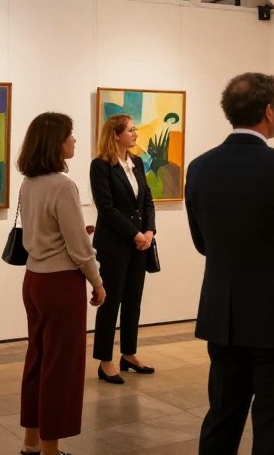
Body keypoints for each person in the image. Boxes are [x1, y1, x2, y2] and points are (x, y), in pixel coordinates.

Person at [185, 72, 274, 454]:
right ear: (268, 111)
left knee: (222, 417)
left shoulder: (200, 167)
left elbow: (202, 243)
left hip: (224, 314)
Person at [18, 112, 105, 455]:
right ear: (56, 143)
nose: (74, 141)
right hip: (60, 284)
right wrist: (97, 282)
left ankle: (30, 442)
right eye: (70, 135)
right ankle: (50, 450)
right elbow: (79, 250)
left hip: (34, 279)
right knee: (60, 366)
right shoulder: (63, 185)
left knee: (38, 359)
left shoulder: (30, 182)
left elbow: (46, 232)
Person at [89, 114, 156, 383]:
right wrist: (135, 233)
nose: (136, 134)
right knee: (111, 301)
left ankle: (128, 354)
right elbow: (106, 208)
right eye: (131, 130)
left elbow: (147, 200)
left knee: (133, 300)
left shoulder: (137, 162)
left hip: (140, 243)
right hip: (115, 243)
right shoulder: (101, 165)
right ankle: (105, 360)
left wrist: (149, 231)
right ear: (116, 134)